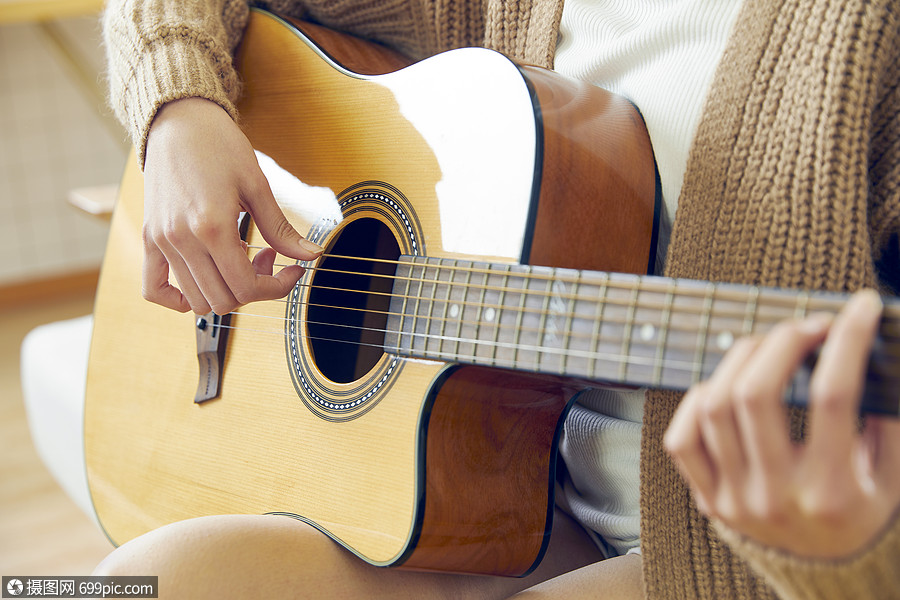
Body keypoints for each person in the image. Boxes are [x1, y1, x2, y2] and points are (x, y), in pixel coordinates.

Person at [95, 0, 900, 598]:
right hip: (505, 507)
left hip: (721, 559)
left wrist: (852, 555)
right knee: (138, 584)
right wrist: (178, 112)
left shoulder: (867, 38)